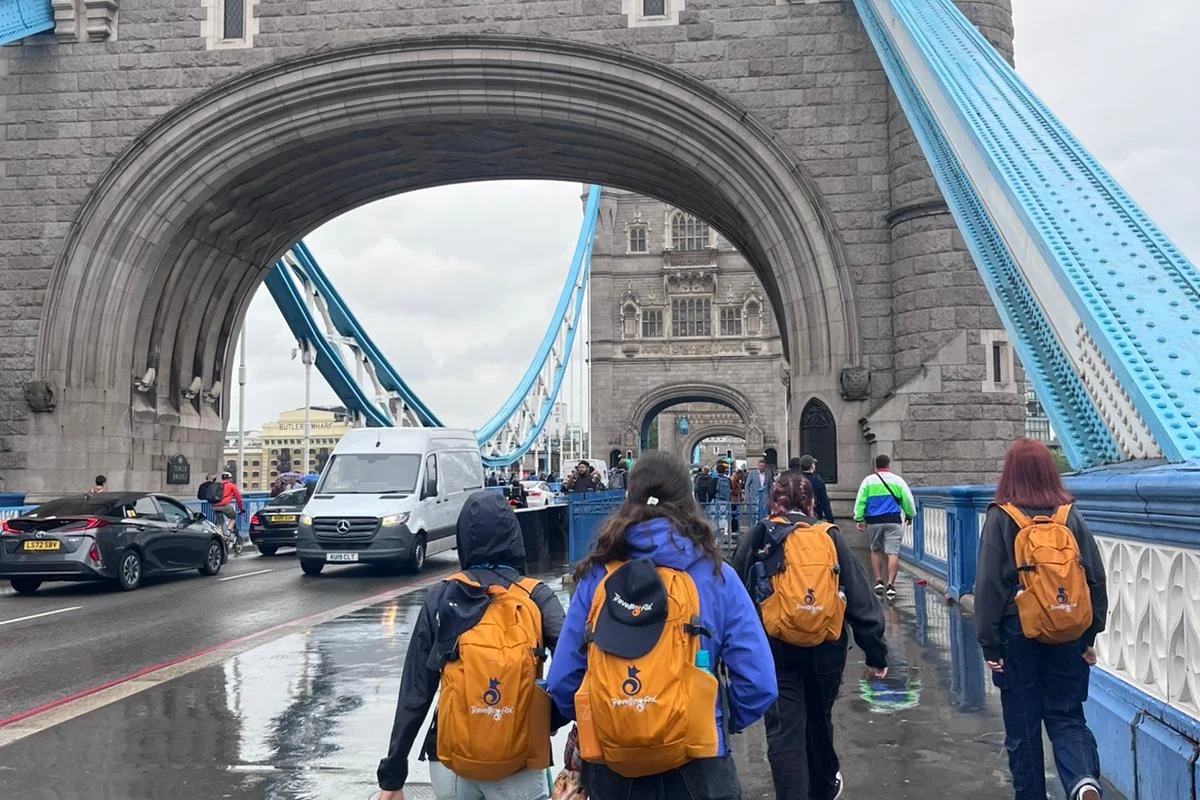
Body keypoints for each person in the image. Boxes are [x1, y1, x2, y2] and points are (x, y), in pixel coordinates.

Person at [547, 451, 777, 800]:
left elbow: (564, 681)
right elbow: (759, 682)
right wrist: (708, 719)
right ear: (688, 500)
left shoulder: (597, 576)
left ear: (628, 498)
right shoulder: (716, 575)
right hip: (700, 768)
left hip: (613, 767)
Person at [377, 492, 566, 800]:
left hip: (450, 760)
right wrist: (550, 717)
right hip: (518, 758)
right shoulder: (536, 595)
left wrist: (393, 776)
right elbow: (574, 666)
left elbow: (416, 689)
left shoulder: (441, 597)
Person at [732, 471, 888, 800]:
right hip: (826, 648)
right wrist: (876, 654)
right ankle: (823, 787)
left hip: (775, 650)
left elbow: (734, 596)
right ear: (811, 502)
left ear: (773, 501)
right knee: (819, 719)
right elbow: (862, 600)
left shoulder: (761, 535)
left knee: (784, 730)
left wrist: (733, 655)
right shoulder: (829, 536)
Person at [975, 440, 1107, 800]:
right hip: (1066, 632)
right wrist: (1089, 635)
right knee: (1067, 716)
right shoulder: (1070, 515)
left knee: (1023, 726)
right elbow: (1094, 577)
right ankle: (1082, 780)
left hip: (1017, 633)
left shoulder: (1002, 516)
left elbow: (988, 584)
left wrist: (988, 641)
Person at [853, 455, 915, 599]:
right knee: (893, 552)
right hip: (893, 519)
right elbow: (907, 499)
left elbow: (860, 501)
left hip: (874, 521)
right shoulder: (897, 481)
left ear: (876, 466)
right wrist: (910, 515)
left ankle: (879, 581)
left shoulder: (868, 481)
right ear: (888, 465)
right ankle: (891, 585)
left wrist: (859, 518)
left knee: (875, 550)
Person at [798, 455, 834, 523]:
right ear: (812, 466)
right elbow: (825, 503)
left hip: (798, 516)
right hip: (814, 515)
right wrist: (830, 519)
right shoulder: (818, 482)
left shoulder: (795, 480)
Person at [213, 471, 245, 542]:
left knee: (220, 522)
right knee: (233, 517)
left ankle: (220, 536)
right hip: (225, 506)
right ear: (229, 478)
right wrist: (241, 509)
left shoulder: (216, 485)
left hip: (214, 506)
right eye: (230, 478)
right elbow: (238, 499)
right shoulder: (231, 485)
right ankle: (228, 532)